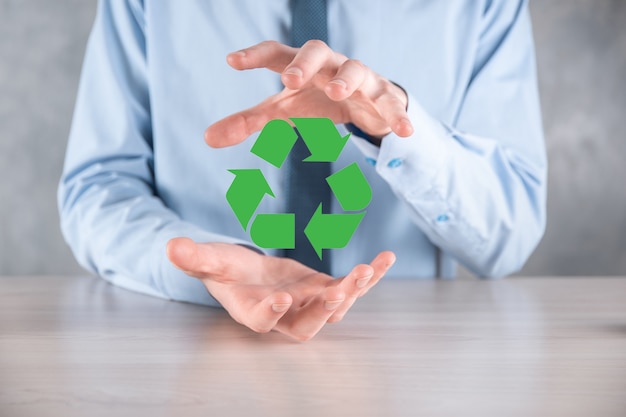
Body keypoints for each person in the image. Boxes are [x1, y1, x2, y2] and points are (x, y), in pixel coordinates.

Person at [59, 0, 546, 341]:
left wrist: (399, 128)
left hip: (403, 352)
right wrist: (204, 271)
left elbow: (510, 232)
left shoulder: (480, 6)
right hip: (194, 339)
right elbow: (98, 189)